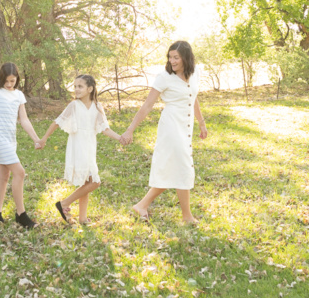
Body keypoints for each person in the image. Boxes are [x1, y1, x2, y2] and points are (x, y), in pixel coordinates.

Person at [120, 40, 209, 223]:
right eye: (170, 57)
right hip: (171, 127)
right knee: (182, 167)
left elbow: (193, 98)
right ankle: (187, 216)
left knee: (176, 169)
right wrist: (130, 130)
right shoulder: (164, 77)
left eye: (176, 57)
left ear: (186, 57)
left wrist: (201, 122)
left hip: (186, 127)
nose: (172, 61)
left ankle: (142, 205)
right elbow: (147, 105)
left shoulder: (195, 73)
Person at [39, 74, 121, 224]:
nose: (76, 89)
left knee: (87, 181)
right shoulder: (74, 106)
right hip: (78, 146)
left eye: (80, 86)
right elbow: (57, 122)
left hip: (89, 145)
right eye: (75, 86)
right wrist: (44, 138)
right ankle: (64, 203)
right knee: (94, 182)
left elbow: (105, 129)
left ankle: (82, 218)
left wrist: (120, 138)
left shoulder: (97, 106)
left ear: (90, 89)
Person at [0, 62, 42, 228]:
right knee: (20, 173)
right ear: (1, 79)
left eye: (12, 81)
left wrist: (36, 138)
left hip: (10, 139)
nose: (9, 84)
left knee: (4, 176)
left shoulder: (19, 95)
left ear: (17, 79)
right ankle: (21, 215)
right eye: (6, 81)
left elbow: (24, 120)